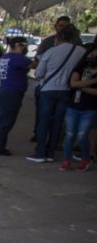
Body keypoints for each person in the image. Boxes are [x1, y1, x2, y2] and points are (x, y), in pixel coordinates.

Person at [28, 24, 85, 163]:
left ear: (59, 36)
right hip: (67, 91)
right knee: (57, 123)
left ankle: (40, 152)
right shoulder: (81, 52)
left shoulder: (51, 52)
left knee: (44, 122)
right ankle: (51, 153)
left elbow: (39, 73)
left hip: (48, 90)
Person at [0, 37, 31, 155]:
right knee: (6, 122)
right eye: (24, 45)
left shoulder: (5, 57)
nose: (26, 48)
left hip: (2, 90)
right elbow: (33, 65)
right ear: (19, 45)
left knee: (1, 121)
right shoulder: (19, 58)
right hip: (11, 93)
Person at [59, 46, 97, 171]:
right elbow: (73, 83)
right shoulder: (79, 69)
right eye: (92, 54)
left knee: (82, 135)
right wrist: (91, 83)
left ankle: (85, 158)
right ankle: (66, 160)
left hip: (90, 108)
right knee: (70, 134)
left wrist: (81, 86)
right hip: (74, 106)